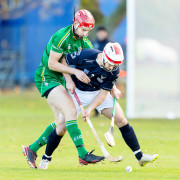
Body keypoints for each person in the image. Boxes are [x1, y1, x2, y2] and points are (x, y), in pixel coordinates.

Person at [38, 42, 159, 169]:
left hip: (97, 91)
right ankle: (46, 158)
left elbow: (102, 94)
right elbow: (64, 60)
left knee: (121, 119)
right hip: (78, 91)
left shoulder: (114, 70)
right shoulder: (86, 55)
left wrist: (90, 109)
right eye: (111, 63)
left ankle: (140, 156)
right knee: (61, 126)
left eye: (116, 64)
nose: (113, 67)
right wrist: (68, 79)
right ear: (105, 56)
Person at [22, 9, 105, 168]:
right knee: (70, 110)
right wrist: (74, 73)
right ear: (75, 23)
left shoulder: (84, 41)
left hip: (60, 78)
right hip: (47, 77)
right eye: (83, 29)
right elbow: (52, 64)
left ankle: (31, 149)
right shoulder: (62, 37)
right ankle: (82, 154)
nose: (86, 33)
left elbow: (96, 61)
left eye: (88, 30)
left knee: (61, 125)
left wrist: (110, 85)